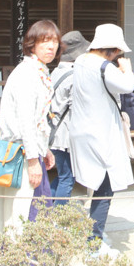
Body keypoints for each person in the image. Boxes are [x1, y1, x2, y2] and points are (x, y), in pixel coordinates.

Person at [0, 19, 60, 266]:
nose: (51, 46)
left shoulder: (39, 72)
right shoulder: (27, 73)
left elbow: (35, 119)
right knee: (22, 214)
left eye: (55, 42)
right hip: (21, 156)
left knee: (37, 212)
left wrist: (43, 149)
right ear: (32, 43)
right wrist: (33, 159)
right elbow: (23, 119)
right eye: (45, 41)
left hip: (31, 151)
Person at [68, 24, 134, 249]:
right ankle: (94, 241)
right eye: (117, 50)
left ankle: (92, 232)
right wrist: (126, 68)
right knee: (105, 186)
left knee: (96, 182)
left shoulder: (80, 61)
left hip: (82, 130)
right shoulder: (104, 67)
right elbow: (129, 86)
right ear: (111, 48)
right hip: (100, 133)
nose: (118, 54)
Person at [49, 30, 90, 202]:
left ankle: (46, 208)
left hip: (53, 132)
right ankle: (58, 218)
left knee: (64, 174)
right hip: (65, 136)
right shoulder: (74, 76)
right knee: (68, 177)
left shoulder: (56, 71)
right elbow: (77, 108)